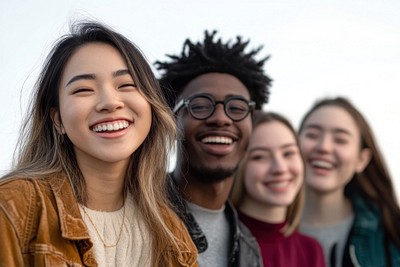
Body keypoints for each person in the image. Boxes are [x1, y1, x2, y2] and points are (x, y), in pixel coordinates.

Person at [0, 21, 198, 267]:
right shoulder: (12, 208)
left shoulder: (174, 236)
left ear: (151, 105)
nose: (110, 102)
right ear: (57, 119)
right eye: (84, 89)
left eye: (126, 85)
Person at [155, 30, 272, 266]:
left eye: (237, 108)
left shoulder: (250, 248)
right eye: (199, 105)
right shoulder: (135, 213)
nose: (220, 118)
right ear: (172, 120)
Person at [298, 96, 400, 267]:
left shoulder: (391, 235)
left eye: (340, 140)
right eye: (312, 135)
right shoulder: (252, 229)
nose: (324, 147)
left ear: (362, 159)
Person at [230, 111, 325, 267]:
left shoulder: (311, 250)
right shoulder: (221, 242)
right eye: (260, 156)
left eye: (288, 153)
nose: (280, 168)